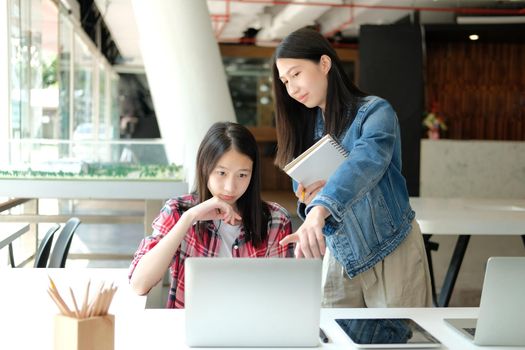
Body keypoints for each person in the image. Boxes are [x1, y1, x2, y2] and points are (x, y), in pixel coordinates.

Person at [273, 28, 432, 308]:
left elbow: (366, 162)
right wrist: (306, 197)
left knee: (400, 339)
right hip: (340, 254)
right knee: (335, 338)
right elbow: (304, 188)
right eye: (285, 81)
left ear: (324, 63)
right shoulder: (306, 126)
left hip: (391, 246)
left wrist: (320, 208)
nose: (292, 88)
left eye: (296, 74)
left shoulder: (374, 111)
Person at [129, 122, 293, 308]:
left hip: (252, 330)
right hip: (190, 329)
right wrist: (189, 218)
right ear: (205, 167)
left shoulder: (276, 220)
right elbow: (139, 284)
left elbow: (280, 297)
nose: (230, 187)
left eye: (242, 175)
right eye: (222, 173)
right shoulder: (178, 210)